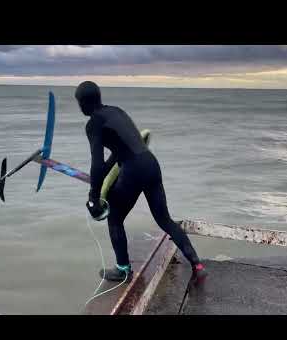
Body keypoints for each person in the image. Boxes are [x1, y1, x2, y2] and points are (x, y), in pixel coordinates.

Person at [75, 81, 207, 285]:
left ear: (83, 103)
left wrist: (94, 197)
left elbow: (97, 163)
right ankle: (197, 265)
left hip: (133, 169)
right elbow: (120, 151)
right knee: (164, 219)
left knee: (115, 218)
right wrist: (106, 181)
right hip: (150, 163)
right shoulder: (116, 111)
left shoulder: (93, 124)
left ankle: (123, 270)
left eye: (79, 103)